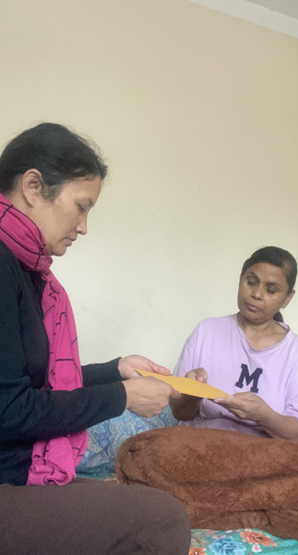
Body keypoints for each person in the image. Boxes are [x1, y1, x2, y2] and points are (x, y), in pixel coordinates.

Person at [0, 123, 190, 555]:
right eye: (81, 207)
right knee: (162, 520)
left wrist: (116, 370)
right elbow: (10, 410)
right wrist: (122, 396)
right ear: (33, 187)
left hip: (16, 470)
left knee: (138, 501)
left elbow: (31, 383)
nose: (84, 227)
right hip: (8, 473)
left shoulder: (28, 272)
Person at [170, 246, 298, 440]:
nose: (257, 294)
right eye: (251, 282)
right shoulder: (206, 331)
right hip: (202, 443)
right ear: (240, 280)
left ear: (287, 298)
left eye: (271, 290)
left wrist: (264, 416)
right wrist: (192, 394)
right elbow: (179, 413)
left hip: (264, 451)